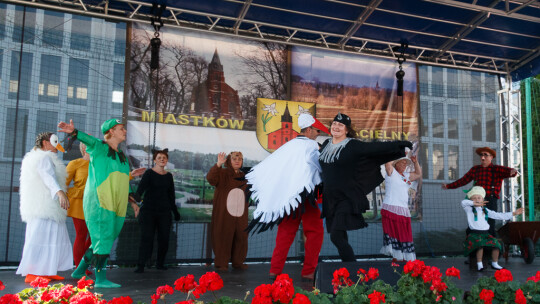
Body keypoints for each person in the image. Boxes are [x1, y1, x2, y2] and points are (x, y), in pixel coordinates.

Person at [58, 118, 145, 288]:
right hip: (100, 202)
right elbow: (87, 140)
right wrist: (73, 132)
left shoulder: (122, 157)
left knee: (105, 238)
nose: (125, 131)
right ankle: (101, 279)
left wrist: (133, 202)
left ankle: (80, 270)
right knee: (103, 237)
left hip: (117, 204)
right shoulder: (98, 146)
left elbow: (121, 181)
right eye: (121, 128)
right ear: (111, 131)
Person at [247, 113, 329, 280]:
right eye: (316, 130)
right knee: (315, 232)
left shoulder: (288, 146)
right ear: (308, 130)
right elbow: (320, 169)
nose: (317, 134)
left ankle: (275, 269)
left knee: (285, 233)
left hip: (289, 198)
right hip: (309, 198)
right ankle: (308, 271)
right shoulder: (312, 146)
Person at [319, 113, 411, 262]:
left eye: (340, 125)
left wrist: (399, 144)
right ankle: (348, 273)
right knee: (340, 236)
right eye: (334, 123)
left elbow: (374, 148)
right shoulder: (325, 145)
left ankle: (352, 269)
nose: (336, 127)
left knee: (336, 236)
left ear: (346, 130)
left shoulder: (352, 145)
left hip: (347, 197)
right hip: (330, 198)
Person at [16, 132, 73, 283]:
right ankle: (33, 272)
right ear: (45, 143)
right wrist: (59, 192)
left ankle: (46, 270)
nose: (56, 146)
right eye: (54, 142)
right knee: (41, 236)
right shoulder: (43, 158)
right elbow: (47, 176)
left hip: (48, 206)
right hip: (44, 205)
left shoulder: (38, 158)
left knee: (52, 235)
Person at [442, 147, 518, 235]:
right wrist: (448, 186)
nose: (482, 157)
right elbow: (463, 180)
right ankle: (473, 244)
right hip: (476, 200)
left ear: (491, 157)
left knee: (490, 224)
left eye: (485, 155)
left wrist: (513, 172)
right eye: (481, 155)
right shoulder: (475, 169)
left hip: (490, 200)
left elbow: (510, 172)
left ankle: (490, 246)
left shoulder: (497, 169)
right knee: (474, 222)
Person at [131, 148, 180, 273]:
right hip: (149, 211)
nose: (162, 160)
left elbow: (171, 195)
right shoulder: (149, 174)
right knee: (147, 237)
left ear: (167, 160)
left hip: (164, 212)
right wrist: (133, 198)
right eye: (159, 158)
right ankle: (141, 264)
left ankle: (160, 263)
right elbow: (140, 191)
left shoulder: (169, 176)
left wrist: (175, 211)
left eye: (164, 158)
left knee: (164, 238)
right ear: (154, 160)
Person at [462, 186, 523, 271]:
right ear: (471, 200)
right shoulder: (469, 209)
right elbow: (464, 202)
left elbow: (498, 215)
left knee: (496, 244)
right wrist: (474, 204)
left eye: (479, 198)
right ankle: (479, 264)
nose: (477, 199)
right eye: (474, 198)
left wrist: (513, 213)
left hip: (485, 234)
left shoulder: (485, 210)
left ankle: (495, 263)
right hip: (475, 234)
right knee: (480, 245)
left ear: (483, 200)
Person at [206, 151, 249, 271]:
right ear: (229, 161)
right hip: (225, 213)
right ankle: (221, 263)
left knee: (241, 236)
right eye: (234, 159)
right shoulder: (223, 173)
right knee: (223, 236)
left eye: (239, 159)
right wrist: (218, 164)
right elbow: (211, 179)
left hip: (240, 213)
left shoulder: (244, 177)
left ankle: (238, 262)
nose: (237, 161)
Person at [380, 155, 422, 262]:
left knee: (404, 236)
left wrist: (415, 162)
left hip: (403, 210)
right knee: (394, 235)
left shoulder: (406, 176)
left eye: (406, 163)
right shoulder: (392, 172)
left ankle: (403, 260)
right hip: (391, 209)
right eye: (402, 162)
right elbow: (388, 164)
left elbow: (418, 174)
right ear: (396, 163)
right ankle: (396, 260)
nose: (404, 164)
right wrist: (396, 153)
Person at [66, 143, 92, 270]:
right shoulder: (75, 163)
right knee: (81, 234)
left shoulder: (99, 164)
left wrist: (131, 175)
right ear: (83, 148)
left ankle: (83, 264)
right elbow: (63, 182)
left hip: (95, 203)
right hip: (79, 202)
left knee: (94, 238)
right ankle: (79, 268)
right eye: (87, 144)